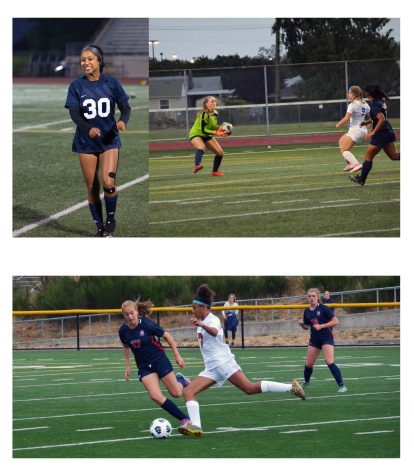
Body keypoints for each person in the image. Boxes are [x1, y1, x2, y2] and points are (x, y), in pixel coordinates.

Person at [181, 284, 306, 436]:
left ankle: (291, 387)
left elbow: (214, 332)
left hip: (224, 363)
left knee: (249, 388)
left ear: (204, 308)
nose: (192, 311)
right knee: (189, 391)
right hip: (212, 368)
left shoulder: (212, 320)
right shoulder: (202, 323)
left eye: (194, 308)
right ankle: (197, 427)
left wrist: (202, 324)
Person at [65, 45, 131, 237]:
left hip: (109, 140)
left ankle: (110, 219)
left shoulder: (112, 83)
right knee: (92, 187)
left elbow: (125, 108)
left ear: (99, 61)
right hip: (85, 143)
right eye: (83, 60)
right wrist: (88, 128)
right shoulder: (76, 86)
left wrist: (122, 122)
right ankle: (100, 228)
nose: (85, 63)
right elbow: (74, 113)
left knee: (108, 181)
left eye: (89, 59)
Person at [119, 299, 202, 437]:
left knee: (176, 393)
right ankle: (185, 419)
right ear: (124, 315)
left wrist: (177, 355)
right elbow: (126, 347)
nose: (130, 317)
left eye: (132, 313)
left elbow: (167, 336)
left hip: (159, 360)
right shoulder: (123, 331)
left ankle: (180, 381)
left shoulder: (147, 325)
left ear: (137, 312)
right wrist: (127, 366)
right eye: (126, 314)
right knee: (155, 396)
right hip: (144, 366)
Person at [349, 84, 400, 186]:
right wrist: (367, 122)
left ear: (369, 94)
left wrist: (373, 132)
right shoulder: (380, 102)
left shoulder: (375, 105)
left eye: (366, 91)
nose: (365, 92)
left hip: (381, 134)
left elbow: (381, 119)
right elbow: (379, 118)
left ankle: (361, 179)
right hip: (387, 132)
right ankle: (362, 179)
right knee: (394, 156)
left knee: (368, 156)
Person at [298, 288, 347, 392]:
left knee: (329, 361)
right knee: (308, 364)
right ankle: (306, 382)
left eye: (313, 296)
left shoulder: (324, 308)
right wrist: (302, 324)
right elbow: (307, 327)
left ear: (317, 297)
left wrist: (322, 326)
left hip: (326, 338)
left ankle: (342, 385)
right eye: (309, 296)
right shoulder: (306, 311)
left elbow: (335, 321)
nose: (311, 298)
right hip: (315, 339)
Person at [188, 96, 229, 176]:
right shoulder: (204, 114)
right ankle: (197, 165)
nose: (214, 103)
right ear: (206, 104)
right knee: (201, 147)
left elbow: (211, 126)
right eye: (212, 101)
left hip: (206, 135)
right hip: (196, 133)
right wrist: (217, 133)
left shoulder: (215, 113)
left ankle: (215, 171)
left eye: (215, 101)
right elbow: (203, 130)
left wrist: (221, 128)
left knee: (220, 153)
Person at [335, 85, 370, 173]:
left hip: (355, 130)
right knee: (341, 141)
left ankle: (356, 164)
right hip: (361, 130)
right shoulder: (365, 104)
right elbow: (372, 118)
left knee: (344, 150)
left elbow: (346, 118)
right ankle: (349, 164)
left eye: (350, 93)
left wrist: (339, 123)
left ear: (354, 94)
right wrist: (369, 130)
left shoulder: (352, 105)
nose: (348, 95)